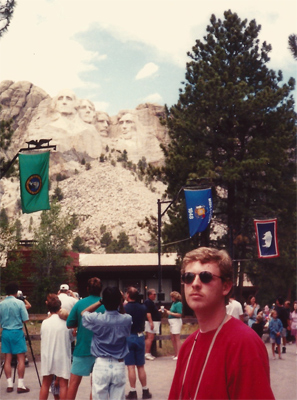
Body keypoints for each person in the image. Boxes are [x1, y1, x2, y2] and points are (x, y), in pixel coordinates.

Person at [168, 247, 275, 400]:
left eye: (205, 277)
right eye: (188, 277)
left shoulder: (244, 344)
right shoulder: (187, 346)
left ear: (226, 287)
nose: (195, 284)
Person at [81, 287, 132, 400]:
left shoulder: (97, 319)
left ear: (104, 301)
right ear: (119, 301)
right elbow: (123, 314)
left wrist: (101, 301)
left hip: (101, 364)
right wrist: (120, 302)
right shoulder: (126, 319)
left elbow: (84, 313)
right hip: (118, 364)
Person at [66, 277, 105, 400]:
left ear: (87, 289)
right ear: (100, 289)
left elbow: (69, 324)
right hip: (101, 350)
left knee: (73, 383)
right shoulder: (106, 305)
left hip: (82, 348)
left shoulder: (79, 304)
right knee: (96, 385)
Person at [39, 294, 73, 400]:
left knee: (45, 383)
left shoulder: (45, 323)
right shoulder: (66, 323)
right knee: (63, 384)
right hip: (62, 355)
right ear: (60, 307)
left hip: (47, 355)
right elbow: (71, 339)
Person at [0, 282, 30, 394]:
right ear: (16, 292)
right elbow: (25, 319)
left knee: (7, 358)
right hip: (17, 332)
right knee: (20, 358)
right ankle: (20, 384)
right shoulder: (19, 303)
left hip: (6, 332)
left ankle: (9, 384)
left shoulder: (1, 304)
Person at [124, 286, 152, 400]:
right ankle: (145, 390)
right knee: (141, 366)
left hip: (129, 336)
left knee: (131, 366)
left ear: (128, 295)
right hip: (140, 336)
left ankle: (133, 391)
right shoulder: (143, 307)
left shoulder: (124, 308)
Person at [162, 291, 183, 360]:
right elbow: (171, 312)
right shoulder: (174, 303)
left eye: (172, 297)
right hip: (171, 322)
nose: (171, 298)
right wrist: (166, 310)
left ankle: (179, 354)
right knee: (173, 338)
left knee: (177, 338)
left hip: (176, 321)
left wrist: (170, 313)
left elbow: (179, 314)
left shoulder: (179, 304)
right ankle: (176, 353)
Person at [144, 288, 161, 361]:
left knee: (151, 337)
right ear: (149, 295)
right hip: (151, 321)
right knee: (150, 338)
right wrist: (151, 322)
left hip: (154, 321)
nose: (155, 296)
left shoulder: (151, 302)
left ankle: (148, 352)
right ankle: (146, 353)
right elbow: (148, 313)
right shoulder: (148, 302)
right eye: (154, 294)